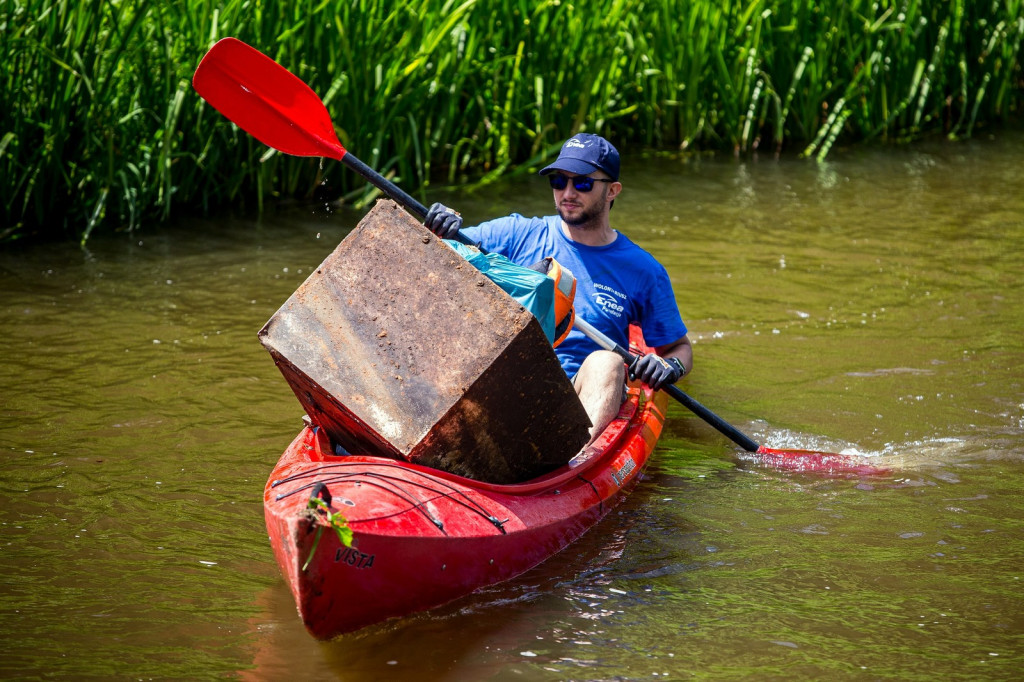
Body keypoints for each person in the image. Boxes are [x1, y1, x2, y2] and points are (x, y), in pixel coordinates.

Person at [424, 133, 692, 446]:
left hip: (578, 395)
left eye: (582, 183)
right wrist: (440, 227)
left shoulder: (644, 271)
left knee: (609, 362)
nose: (567, 192)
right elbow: (440, 258)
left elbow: (679, 349)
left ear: (612, 191)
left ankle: (575, 462)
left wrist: (669, 365)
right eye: (558, 181)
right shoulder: (515, 232)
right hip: (506, 382)